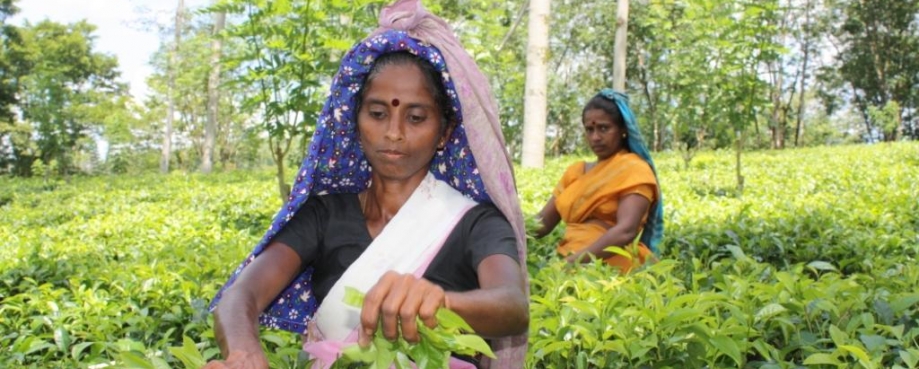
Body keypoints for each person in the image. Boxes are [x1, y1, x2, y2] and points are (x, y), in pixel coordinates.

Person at [202, 1, 529, 368]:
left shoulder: (476, 223)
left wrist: (439, 302)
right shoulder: (323, 215)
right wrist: (244, 352)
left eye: (416, 117)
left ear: (444, 132)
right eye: (377, 113)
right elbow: (241, 295)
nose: (394, 132)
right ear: (356, 121)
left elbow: (513, 306)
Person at [533, 89, 663, 273]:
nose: (595, 137)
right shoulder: (576, 172)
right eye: (589, 129)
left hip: (614, 270)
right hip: (567, 263)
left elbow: (626, 230)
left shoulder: (634, 169)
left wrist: (574, 262)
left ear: (623, 130)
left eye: (604, 128)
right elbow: (542, 224)